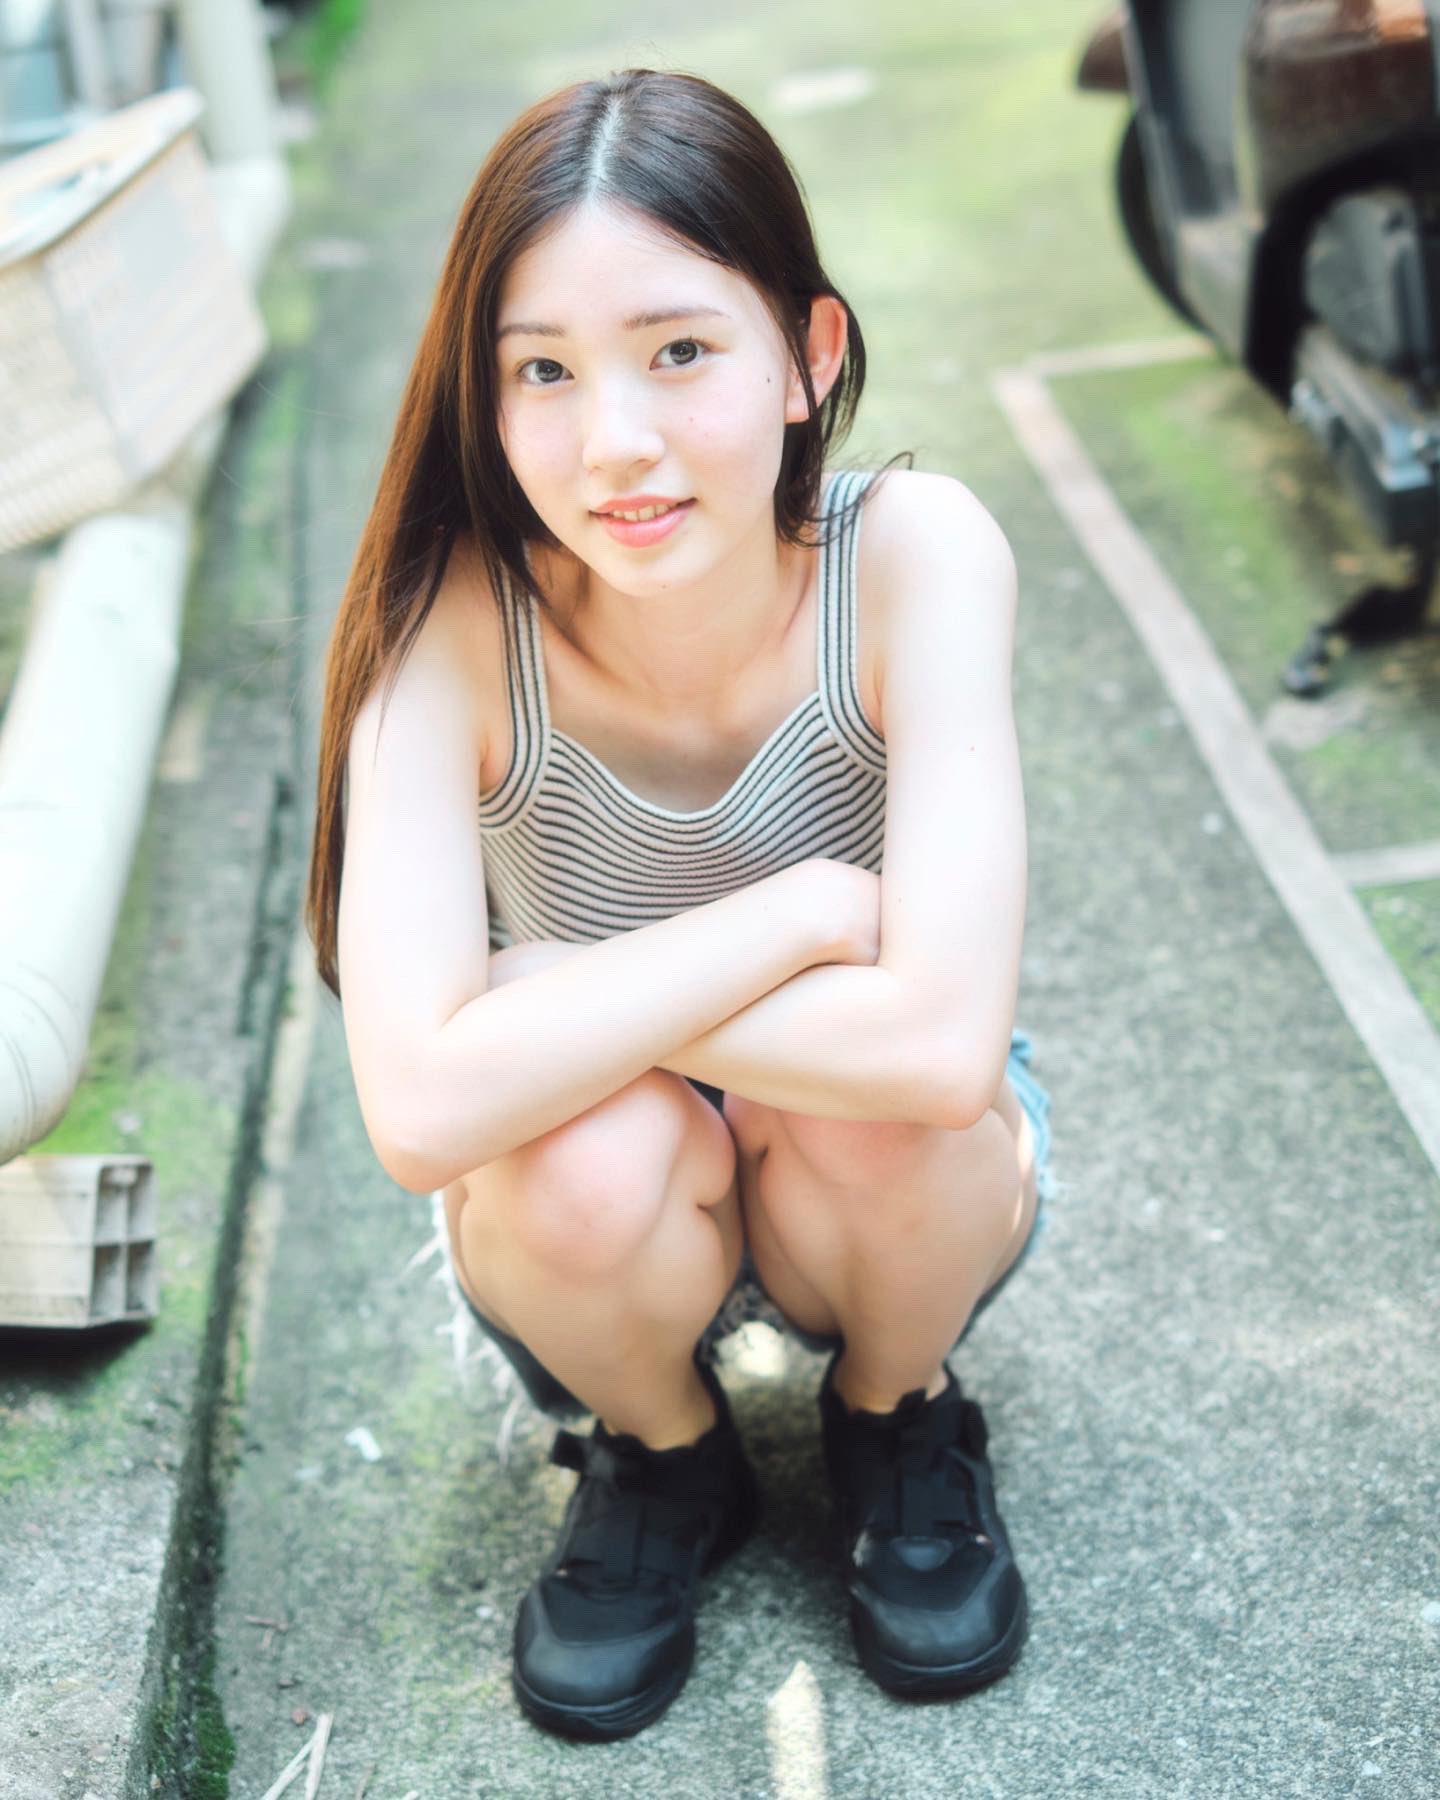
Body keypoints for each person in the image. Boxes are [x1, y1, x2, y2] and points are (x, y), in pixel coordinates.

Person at [305, 67, 1057, 1743]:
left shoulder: (917, 556)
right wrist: (802, 912)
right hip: (601, 1197)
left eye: (680, 352)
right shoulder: (444, 626)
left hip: (884, 1165)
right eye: (544, 372)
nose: (615, 444)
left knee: (880, 1118)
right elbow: (420, 1114)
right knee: (571, 1156)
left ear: (810, 355)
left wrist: (544, 991)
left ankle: (896, 1414)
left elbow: (942, 1052)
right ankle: (662, 1450)